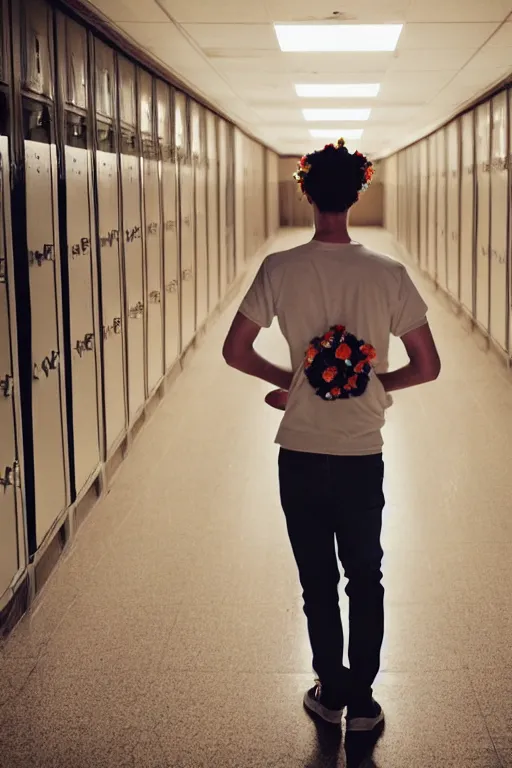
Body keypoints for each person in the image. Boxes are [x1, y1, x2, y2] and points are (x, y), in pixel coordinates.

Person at [222, 138, 440, 732]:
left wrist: (291, 382)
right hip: (360, 453)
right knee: (364, 575)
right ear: (358, 193)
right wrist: (374, 382)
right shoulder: (389, 274)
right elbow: (428, 365)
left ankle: (330, 687)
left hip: (300, 450)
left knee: (316, 578)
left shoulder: (280, 268)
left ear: (306, 192)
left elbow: (235, 351)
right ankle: (365, 700)